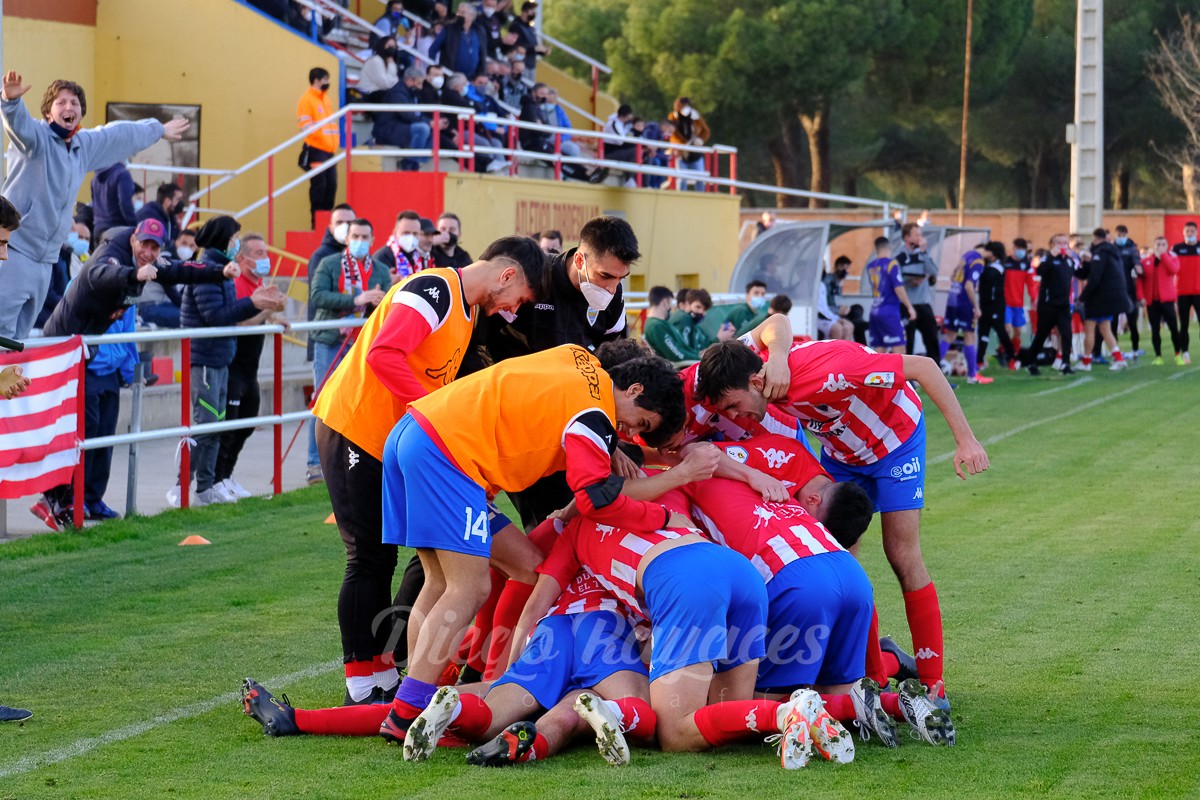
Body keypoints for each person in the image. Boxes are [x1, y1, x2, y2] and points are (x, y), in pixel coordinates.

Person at [375, 349, 688, 752]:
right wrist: (668, 501)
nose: (629, 432)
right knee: (468, 588)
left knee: (499, 571)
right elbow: (594, 497)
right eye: (639, 422)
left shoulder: (582, 359)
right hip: (449, 454)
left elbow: (551, 405)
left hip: (413, 431)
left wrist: (614, 448)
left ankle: (418, 695)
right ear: (634, 389)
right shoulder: (597, 416)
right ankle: (406, 710)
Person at [697, 314, 991, 711]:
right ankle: (874, 672)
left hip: (895, 443)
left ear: (753, 383)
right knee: (837, 560)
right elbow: (776, 320)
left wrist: (965, 441)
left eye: (733, 406)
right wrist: (779, 352)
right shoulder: (756, 365)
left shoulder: (829, 371)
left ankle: (933, 683)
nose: (733, 418)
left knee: (902, 554)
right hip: (841, 456)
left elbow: (924, 367)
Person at [305, 237, 547, 704]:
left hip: (394, 441)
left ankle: (384, 672)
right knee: (368, 558)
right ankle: (362, 681)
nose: (514, 310)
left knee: (397, 559)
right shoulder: (435, 289)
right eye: (520, 299)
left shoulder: (469, 311)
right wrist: (438, 417)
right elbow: (383, 354)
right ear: (506, 275)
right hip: (353, 427)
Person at [32, 219, 240, 529]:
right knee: (78, 430)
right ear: (133, 240)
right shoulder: (111, 255)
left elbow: (183, 270)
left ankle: (89, 498)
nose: (149, 252)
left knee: (103, 432)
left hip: (95, 355)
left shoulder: (151, 261)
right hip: (66, 350)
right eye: (145, 244)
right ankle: (52, 497)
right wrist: (133, 274)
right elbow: (100, 274)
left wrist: (219, 272)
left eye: (155, 247)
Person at [0, 71, 189, 340]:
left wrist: (158, 130)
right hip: (15, 250)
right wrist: (10, 101)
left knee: (18, 340)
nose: (69, 107)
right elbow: (19, 126)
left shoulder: (81, 146)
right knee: (1, 333)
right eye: (61, 102)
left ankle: (9, 382)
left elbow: (119, 134)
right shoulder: (36, 139)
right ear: (48, 113)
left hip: (47, 260)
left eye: (74, 103)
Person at [176, 216, 286, 506]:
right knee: (206, 426)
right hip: (206, 359)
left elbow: (226, 314)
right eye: (234, 238)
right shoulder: (210, 272)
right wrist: (255, 304)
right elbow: (217, 318)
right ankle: (182, 485)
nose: (235, 243)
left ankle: (207, 487)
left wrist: (262, 307)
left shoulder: (220, 270)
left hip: (221, 358)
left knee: (217, 427)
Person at [309, 219, 391, 485]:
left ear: (373, 239)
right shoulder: (330, 264)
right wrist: (356, 299)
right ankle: (314, 463)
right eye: (355, 235)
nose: (359, 240)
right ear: (347, 238)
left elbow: (386, 303)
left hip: (363, 343)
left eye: (364, 236)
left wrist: (377, 301)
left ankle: (349, 460)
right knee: (323, 401)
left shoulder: (378, 269)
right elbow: (318, 295)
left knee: (358, 401)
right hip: (331, 340)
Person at [212, 234, 287, 501]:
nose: (265, 258)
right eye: (258, 253)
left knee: (247, 423)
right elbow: (241, 323)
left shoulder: (259, 283)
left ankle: (227, 475)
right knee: (229, 426)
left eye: (265, 252)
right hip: (234, 365)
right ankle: (215, 479)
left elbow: (256, 318)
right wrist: (268, 311)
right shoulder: (237, 284)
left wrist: (274, 317)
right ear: (241, 258)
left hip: (250, 369)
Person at [1076, 228, 1129, 372]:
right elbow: (1091, 272)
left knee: (1090, 329)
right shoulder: (1112, 252)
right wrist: (1087, 263)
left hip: (1098, 297)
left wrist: (1083, 297)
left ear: (1095, 239)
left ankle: (1086, 361)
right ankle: (1119, 359)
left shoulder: (1099, 254)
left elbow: (1095, 278)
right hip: (1108, 296)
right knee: (1105, 329)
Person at [1025, 234, 1078, 376]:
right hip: (1048, 304)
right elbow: (1040, 270)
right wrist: (1051, 257)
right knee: (1042, 334)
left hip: (1063, 305)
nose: (1062, 246)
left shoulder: (1069, 260)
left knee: (1066, 333)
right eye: (1059, 243)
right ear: (1052, 245)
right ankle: (1031, 361)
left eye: (1065, 243)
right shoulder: (1047, 258)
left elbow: (1079, 273)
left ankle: (1065, 364)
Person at [937, 247, 991, 384]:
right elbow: (969, 286)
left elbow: (953, 276)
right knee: (969, 336)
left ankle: (932, 371)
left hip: (953, 298)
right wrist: (976, 307)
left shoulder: (967, 255)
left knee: (950, 335)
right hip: (964, 302)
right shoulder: (978, 261)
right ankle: (972, 375)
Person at [297, 67, 339, 227]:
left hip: (329, 151)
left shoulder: (325, 99)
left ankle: (328, 222)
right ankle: (317, 222)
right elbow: (305, 126)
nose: (328, 83)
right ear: (316, 80)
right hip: (316, 149)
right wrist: (319, 136)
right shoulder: (307, 100)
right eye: (325, 79)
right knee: (319, 185)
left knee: (331, 185)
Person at [373, 67, 433, 171]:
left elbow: (417, 114)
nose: (421, 87)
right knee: (423, 128)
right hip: (388, 130)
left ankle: (417, 161)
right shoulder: (398, 93)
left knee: (433, 129)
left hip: (400, 127)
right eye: (419, 83)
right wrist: (428, 122)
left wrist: (431, 122)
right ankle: (409, 162)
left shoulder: (411, 94)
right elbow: (407, 115)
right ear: (410, 80)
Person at [895, 223, 939, 360]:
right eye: (917, 235)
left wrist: (924, 252)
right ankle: (907, 378)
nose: (920, 238)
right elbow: (895, 279)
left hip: (923, 303)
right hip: (907, 305)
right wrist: (909, 281)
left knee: (932, 338)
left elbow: (933, 272)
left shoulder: (923, 254)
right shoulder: (899, 256)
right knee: (909, 341)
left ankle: (936, 375)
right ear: (907, 237)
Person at [1138, 236, 1184, 365]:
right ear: (1154, 245)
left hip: (1167, 300)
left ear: (1167, 246)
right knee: (1155, 329)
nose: (1160, 246)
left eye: (1163, 244)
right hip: (1152, 301)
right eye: (1158, 244)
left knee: (1174, 328)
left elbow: (1174, 270)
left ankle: (1177, 354)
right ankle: (1158, 356)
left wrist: (1164, 256)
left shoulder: (1172, 258)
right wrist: (1141, 296)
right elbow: (1140, 280)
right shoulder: (1146, 261)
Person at [36, 221, 90, 330]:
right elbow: (48, 295)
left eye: (87, 238)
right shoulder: (52, 257)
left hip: (58, 313)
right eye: (73, 232)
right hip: (46, 319)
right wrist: (71, 306)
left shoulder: (65, 256)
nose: (82, 241)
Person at [865, 235, 915, 354]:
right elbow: (898, 287)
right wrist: (909, 306)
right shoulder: (892, 264)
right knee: (900, 349)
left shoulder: (870, 266)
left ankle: (879, 373)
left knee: (879, 352)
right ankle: (899, 373)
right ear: (889, 248)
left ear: (876, 249)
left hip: (875, 311)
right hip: (889, 310)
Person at [976, 241, 1015, 370]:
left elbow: (986, 276)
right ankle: (979, 361)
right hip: (984, 305)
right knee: (983, 333)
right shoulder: (987, 266)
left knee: (1001, 332)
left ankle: (1012, 358)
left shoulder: (997, 267)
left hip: (996, 306)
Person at [643, 285, 700, 364]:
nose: (671, 307)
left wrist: (698, 355)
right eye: (670, 303)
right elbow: (676, 355)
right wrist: (699, 358)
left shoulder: (656, 324)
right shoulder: (656, 326)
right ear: (665, 303)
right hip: (681, 366)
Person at [430, 3, 486, 78]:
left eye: (463, 13)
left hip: (471, 78)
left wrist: (481, 73)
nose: (459, 15)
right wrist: (435, 68)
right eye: (458, 12)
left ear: (471, 17)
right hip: (450, 76)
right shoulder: (449, 29)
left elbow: (482, 53)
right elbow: (433, 49)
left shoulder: (478, 32)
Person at [1170, 220, 1200, 364]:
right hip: (1182, 292)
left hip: (1199, 292)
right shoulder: (1176, 249)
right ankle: (1185, 352)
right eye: (1187, 231)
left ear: (1197, 232)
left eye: (1192, 231)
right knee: (1184, 324)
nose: (1189, 234)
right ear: (1183, 233)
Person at [667, 97, 709, 191]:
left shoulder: (695, 116)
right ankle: (680, 198)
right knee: (682, 178)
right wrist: (682, 145)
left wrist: (700, 140)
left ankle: (700, 197)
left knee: (700, 178)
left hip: (695, 152)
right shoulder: (673, 117)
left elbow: (706, 131)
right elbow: (673, 134)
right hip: (681, 153)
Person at [90, 161, 139, 242]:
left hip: (98, 229)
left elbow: (94, 204)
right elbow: (125, 204)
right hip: (117, 230)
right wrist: (135, 225)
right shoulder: (122, 174)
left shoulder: (95, 178)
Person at [1112, 225, 1141, 357]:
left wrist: (1138, 267)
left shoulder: (1132, 249)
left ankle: (1135, 349)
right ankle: (1115, 349)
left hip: (1129, 290)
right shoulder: (1111, 248)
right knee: (1113, 322)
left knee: (1132, 322)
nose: (1121, 238)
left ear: (1127, 235)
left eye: (1123, 235)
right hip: (1114, 290)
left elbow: (1137, 263)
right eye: (1119, 235)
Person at [372, 210, 425, 282]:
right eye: (406, 232)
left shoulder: (420, 256)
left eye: (415, 233)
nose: (411, 237)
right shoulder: (382, 257)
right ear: (395, 233)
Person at [1003, 238, 1032, 355]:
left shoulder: (1026, 264)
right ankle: (1006, 353)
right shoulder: (1005, 262)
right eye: (1018, 249)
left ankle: (1014, 353)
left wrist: (1034, 298)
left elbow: (1030, 283)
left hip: (1018, 303)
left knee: (1018, 331)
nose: (1020, 251)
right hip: (1006, 303)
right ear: (1013, 248)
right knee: (1007, 328)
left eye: (1022, 249)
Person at [136, 183, 184, 250]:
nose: (181, 203)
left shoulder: (170, 217)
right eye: (178, 199)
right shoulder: (149, 215)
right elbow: (153, 243)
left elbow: (176, 238)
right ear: (167, 201)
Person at [507, 1, 548, 77]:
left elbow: (533, 45)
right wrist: (534, 49)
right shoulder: (516, 25)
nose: (534, 13)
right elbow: (516, 45)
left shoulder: (530, 28)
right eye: (532, 11)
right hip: (521, 63)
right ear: (524, 11)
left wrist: (542, 50)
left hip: (531, 64)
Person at [358, 36, 403, 102]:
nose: (391, 49)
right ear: (382, 45)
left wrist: (391, 63)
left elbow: (395, 82)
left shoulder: (391, 62)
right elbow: (385, 84)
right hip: (368, 93)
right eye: (389, 45)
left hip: (379, 92)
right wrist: (391, 64)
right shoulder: (376, 60)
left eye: (393, 47)